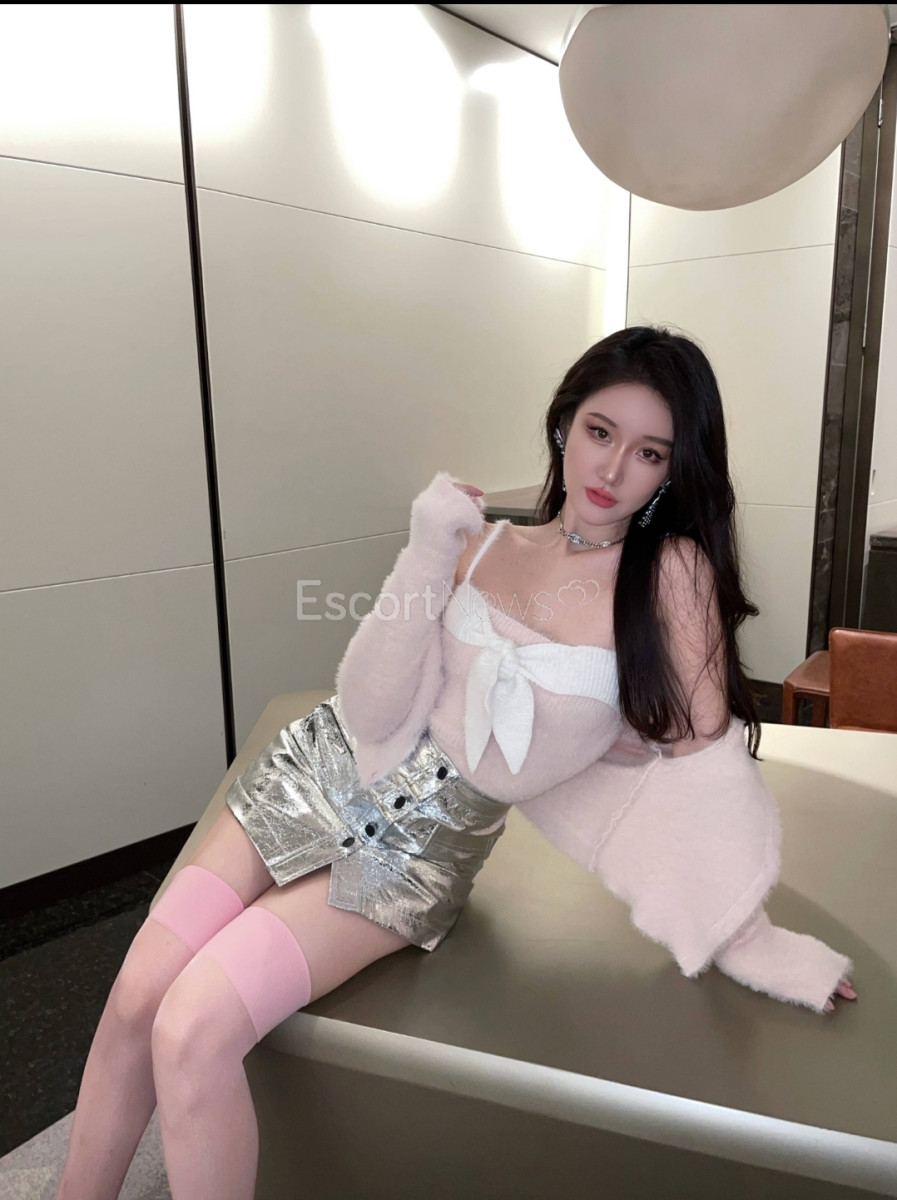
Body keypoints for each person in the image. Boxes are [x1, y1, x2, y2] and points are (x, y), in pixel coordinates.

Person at [55, 326, 857, 1200]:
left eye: (649, 451)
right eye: (599, 431)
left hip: (418, 855)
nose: (612, 467)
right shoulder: (480, 544)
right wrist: (424, 552)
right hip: (319, 769)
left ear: (672, 471)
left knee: (189, 1029)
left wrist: (748, 936)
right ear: (563, 425)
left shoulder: (669, 573)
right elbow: (371, 707)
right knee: (137, 996)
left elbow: (707, 772)